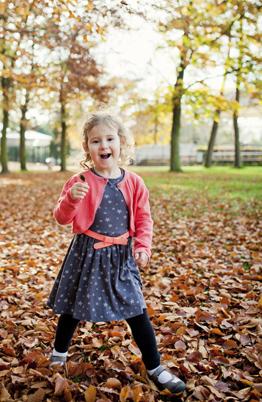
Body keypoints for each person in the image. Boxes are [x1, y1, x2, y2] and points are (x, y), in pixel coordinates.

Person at [46, 110, 185, 394]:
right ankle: (59, 355)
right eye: (95, 141)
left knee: (137, 310)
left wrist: (143, 247)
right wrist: (71, 201)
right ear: (87, 147)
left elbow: (144, 219)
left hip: (121, 256)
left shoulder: (133, 182)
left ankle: (155, 367)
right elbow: (61, 217)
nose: (103, 145)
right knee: (72, 306)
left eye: (109, 139)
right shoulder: (80, 181)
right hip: (86, 253)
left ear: (121, 142)